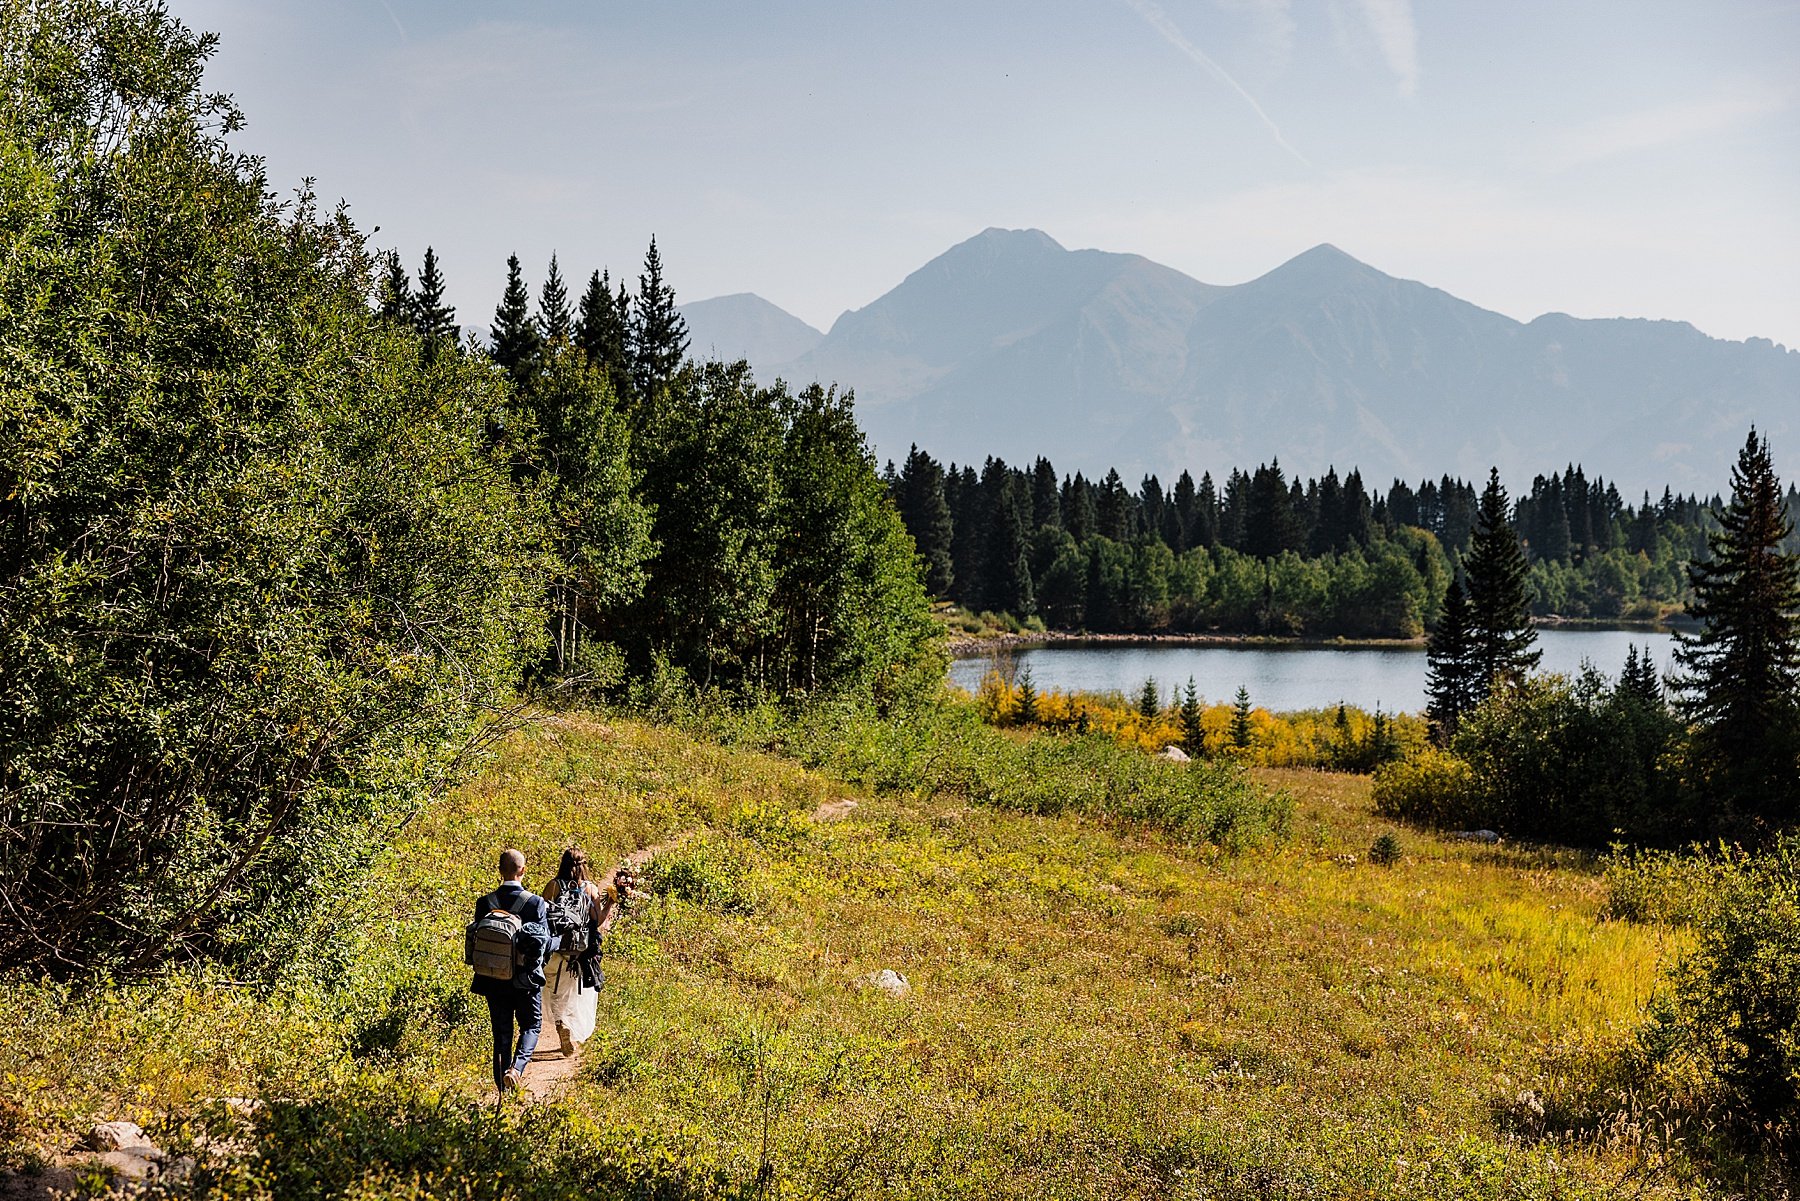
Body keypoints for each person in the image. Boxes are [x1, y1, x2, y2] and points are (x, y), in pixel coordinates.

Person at [470, 847, 551, 1093]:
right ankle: (515, 1070)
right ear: (523, 870)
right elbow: (543, 945)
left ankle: (502, 1094)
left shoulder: (485, 903)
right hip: (524, 982)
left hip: (493, 980)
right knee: (532, 1026)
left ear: (499, 870)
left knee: (501, 1035)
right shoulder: (535, 903)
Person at [541, 847, 620, 1057]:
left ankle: (561, 1026)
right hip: (579, 952)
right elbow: (599, 921)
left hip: (556, 948)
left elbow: (541, 916)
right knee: (575, 994)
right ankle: (569, 1028)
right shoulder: (590, 888)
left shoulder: (553, 886)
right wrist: (611, 901)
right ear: (584, 865)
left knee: (554, 990)